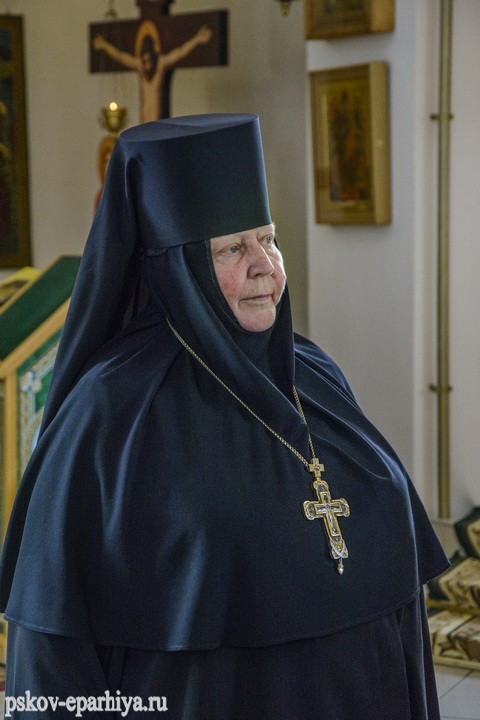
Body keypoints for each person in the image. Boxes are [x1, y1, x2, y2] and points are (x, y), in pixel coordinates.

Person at [0, 114, 449, 719]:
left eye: (269, 240)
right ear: (178, 267)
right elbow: (52, 649)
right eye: (233, 248)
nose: (266, 266)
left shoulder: (314, 374)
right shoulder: (108, 412)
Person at [92, 21, 213, 122]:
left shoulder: (161, 64)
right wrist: (104, 45)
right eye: (144, 61)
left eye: (149, 60)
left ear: (153, 56)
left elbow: (180, 52)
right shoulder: (140, 65)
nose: (147, 65)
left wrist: (197, 39)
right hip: (144, 117)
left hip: (158, 116)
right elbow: (120, 56)